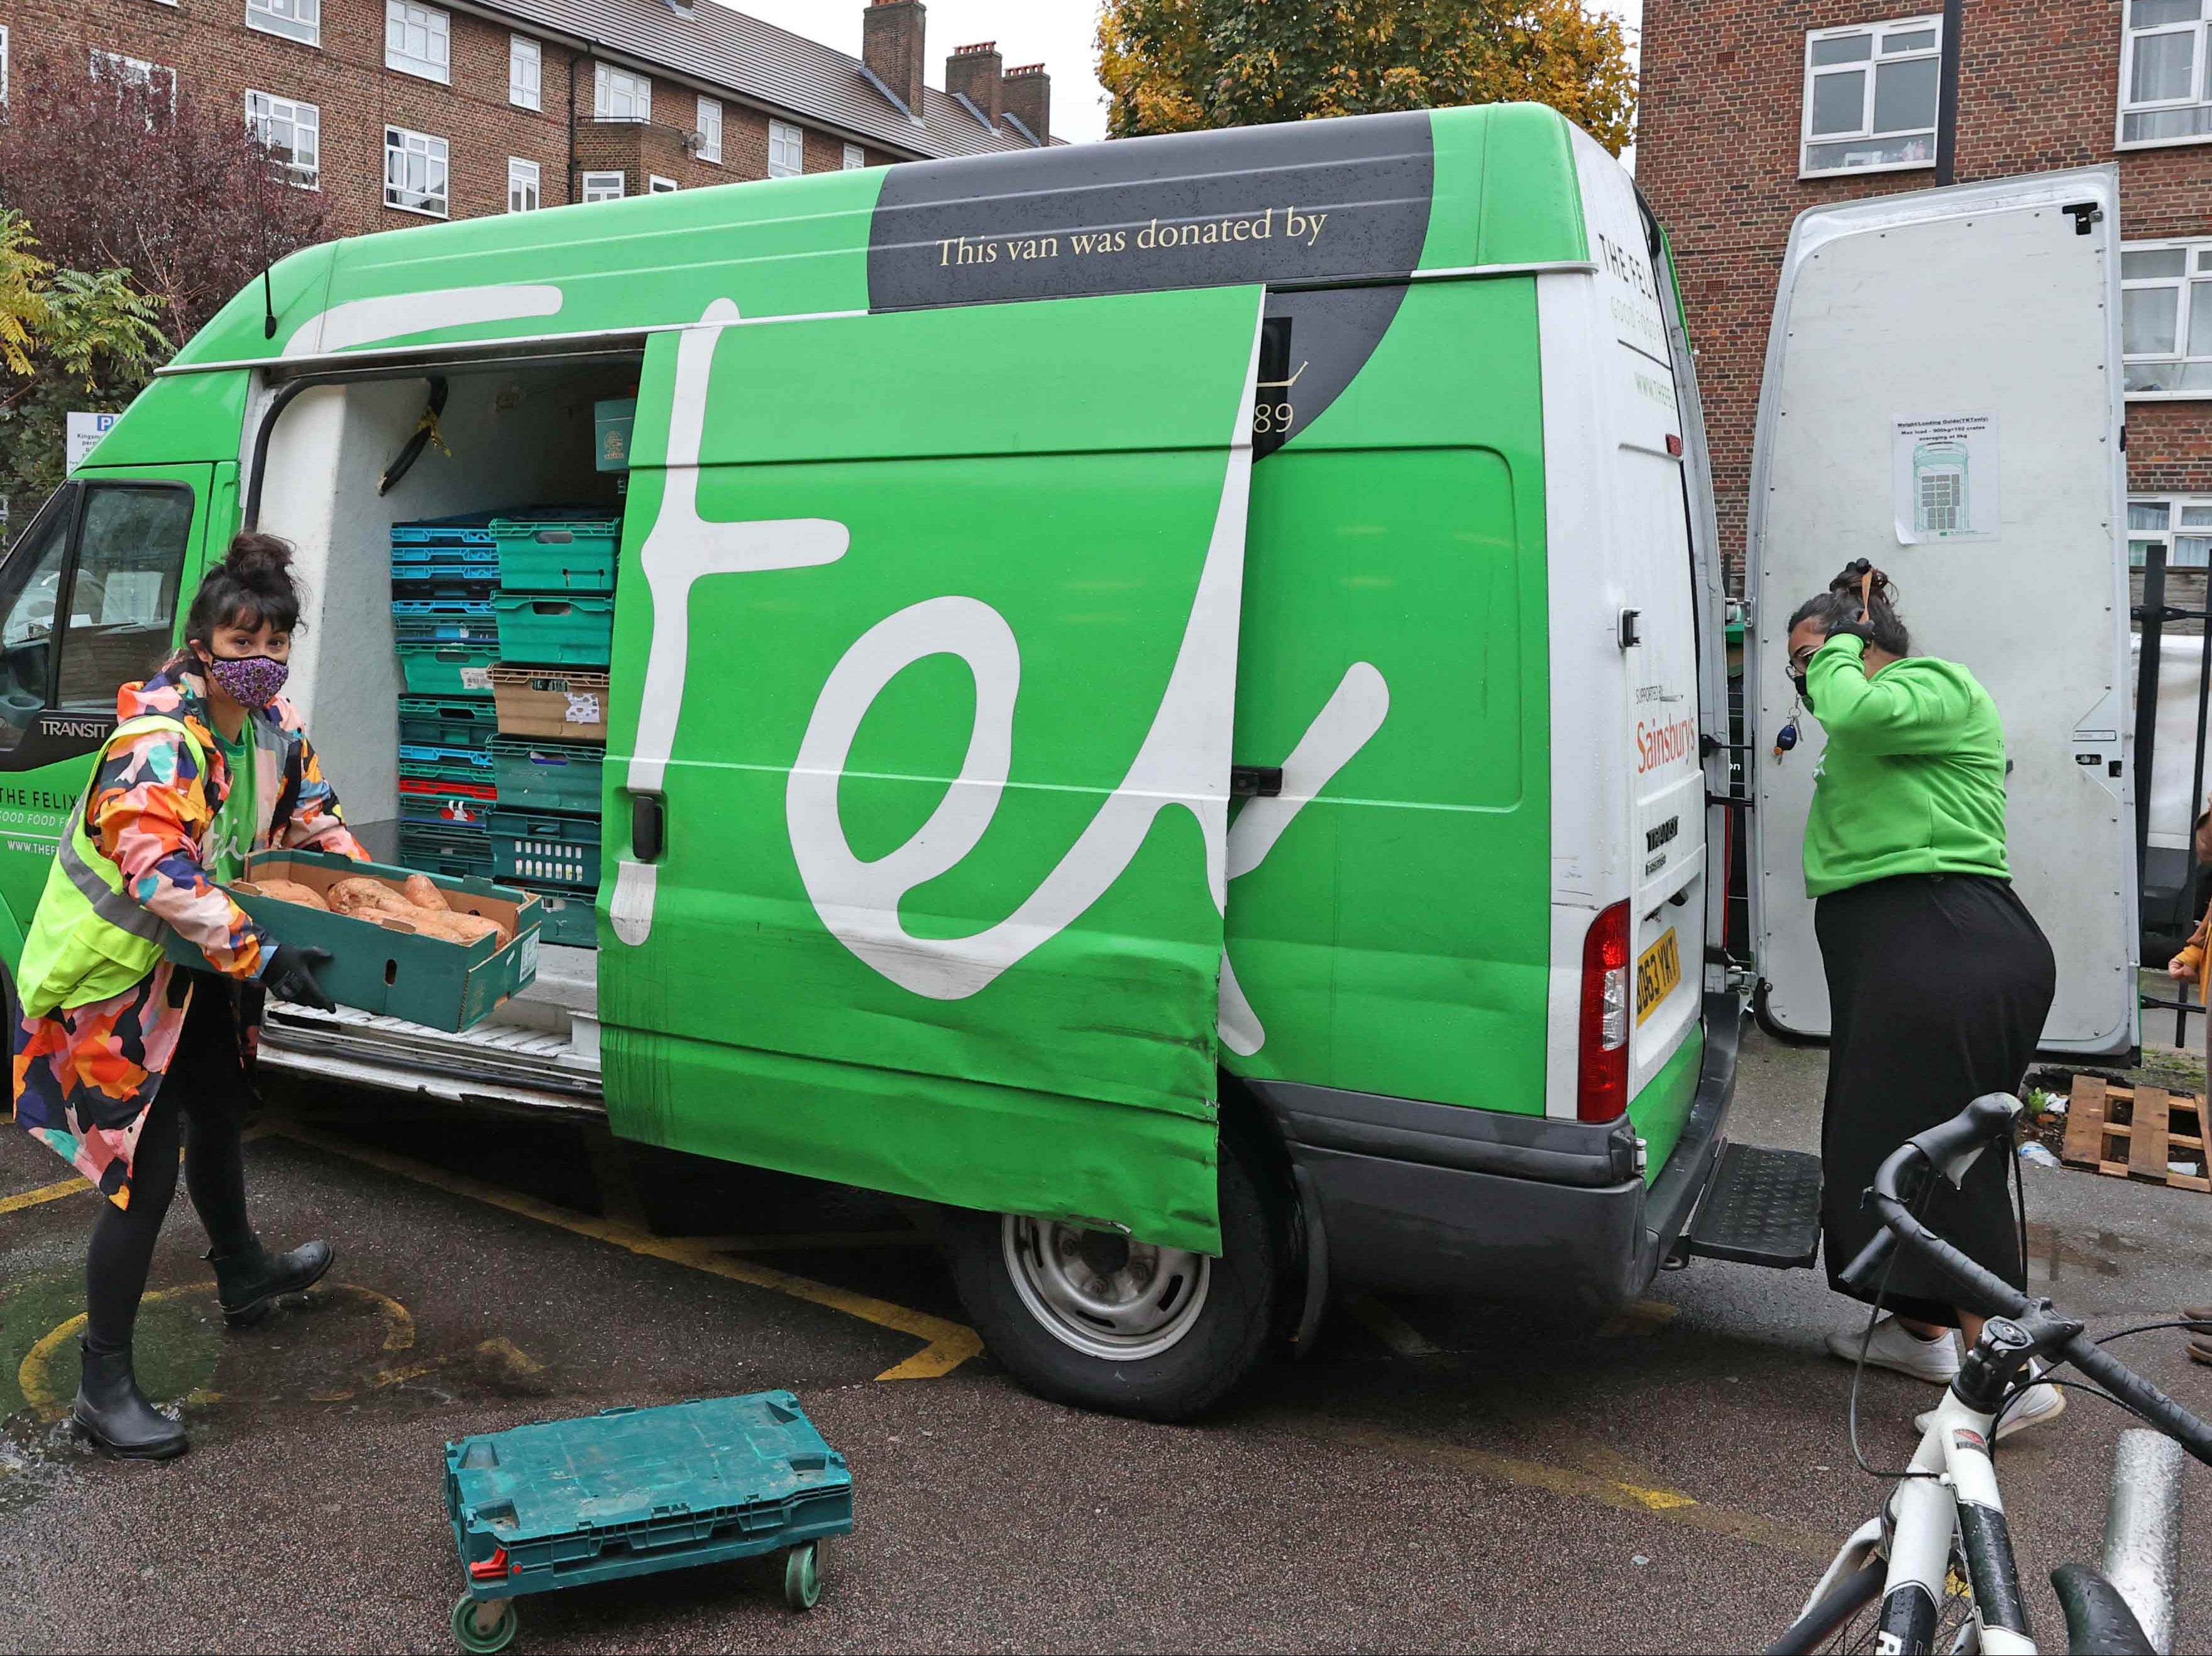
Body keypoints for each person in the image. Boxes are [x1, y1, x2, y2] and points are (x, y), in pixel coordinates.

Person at [11, 533, 363, 1460]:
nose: (262, 664)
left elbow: (313, 817)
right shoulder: (159, 740)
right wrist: (263, 950)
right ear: (203, 645)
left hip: (196, 970)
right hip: (115, 984)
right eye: (242, 645)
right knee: (144, 1174)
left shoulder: (269, 726)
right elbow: (157, 872)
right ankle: (103, 1385)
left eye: (276, 645)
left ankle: (243, 1274)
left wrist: (373, 904)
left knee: (218, 1106)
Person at [1788, 560, 2063, 1439]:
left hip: (1950, 941)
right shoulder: (1875, 727)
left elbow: (1854, 704)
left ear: (1861, 644)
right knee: (1881, 1148)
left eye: (1813, 655)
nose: (1804, 678)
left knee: (1953, 1166)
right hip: (1910, 952)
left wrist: (1837, 652)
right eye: (1797, 666)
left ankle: (2013, 1376)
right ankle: (1930, 1333)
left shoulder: (1929, 685)